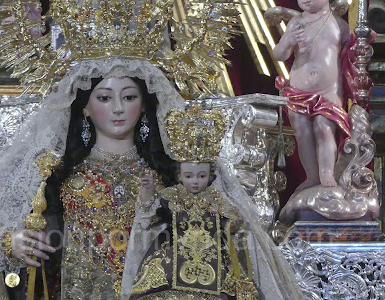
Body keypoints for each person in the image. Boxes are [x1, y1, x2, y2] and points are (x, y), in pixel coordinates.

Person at [0, 58, 186, 299]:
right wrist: (9, 243)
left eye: (129, 97)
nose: (118, 108)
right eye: (104, 97)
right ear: (85, 108)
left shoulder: (169, 177)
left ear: (143, 105)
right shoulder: (52, 174)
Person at [121, 105, 303, 300]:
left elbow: (229, 222)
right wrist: (148, 189)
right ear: (179, 176)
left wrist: (234, 224)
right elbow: (149, 212)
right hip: (173, 256)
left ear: (210, 176)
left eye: (201, 176)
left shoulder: (216, 198)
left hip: (213, 260)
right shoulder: (171, 196)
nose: (195, 181)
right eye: (189, 176)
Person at [272, 0, 351, 190]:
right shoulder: (296, 23)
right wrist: (287, 40)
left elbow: (351, 56)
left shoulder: (339, 25)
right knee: (303, 133)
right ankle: (312, 176)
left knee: (323, 128)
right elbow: (279, 54)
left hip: (328, 91)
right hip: (298, 91)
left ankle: (327, 172)